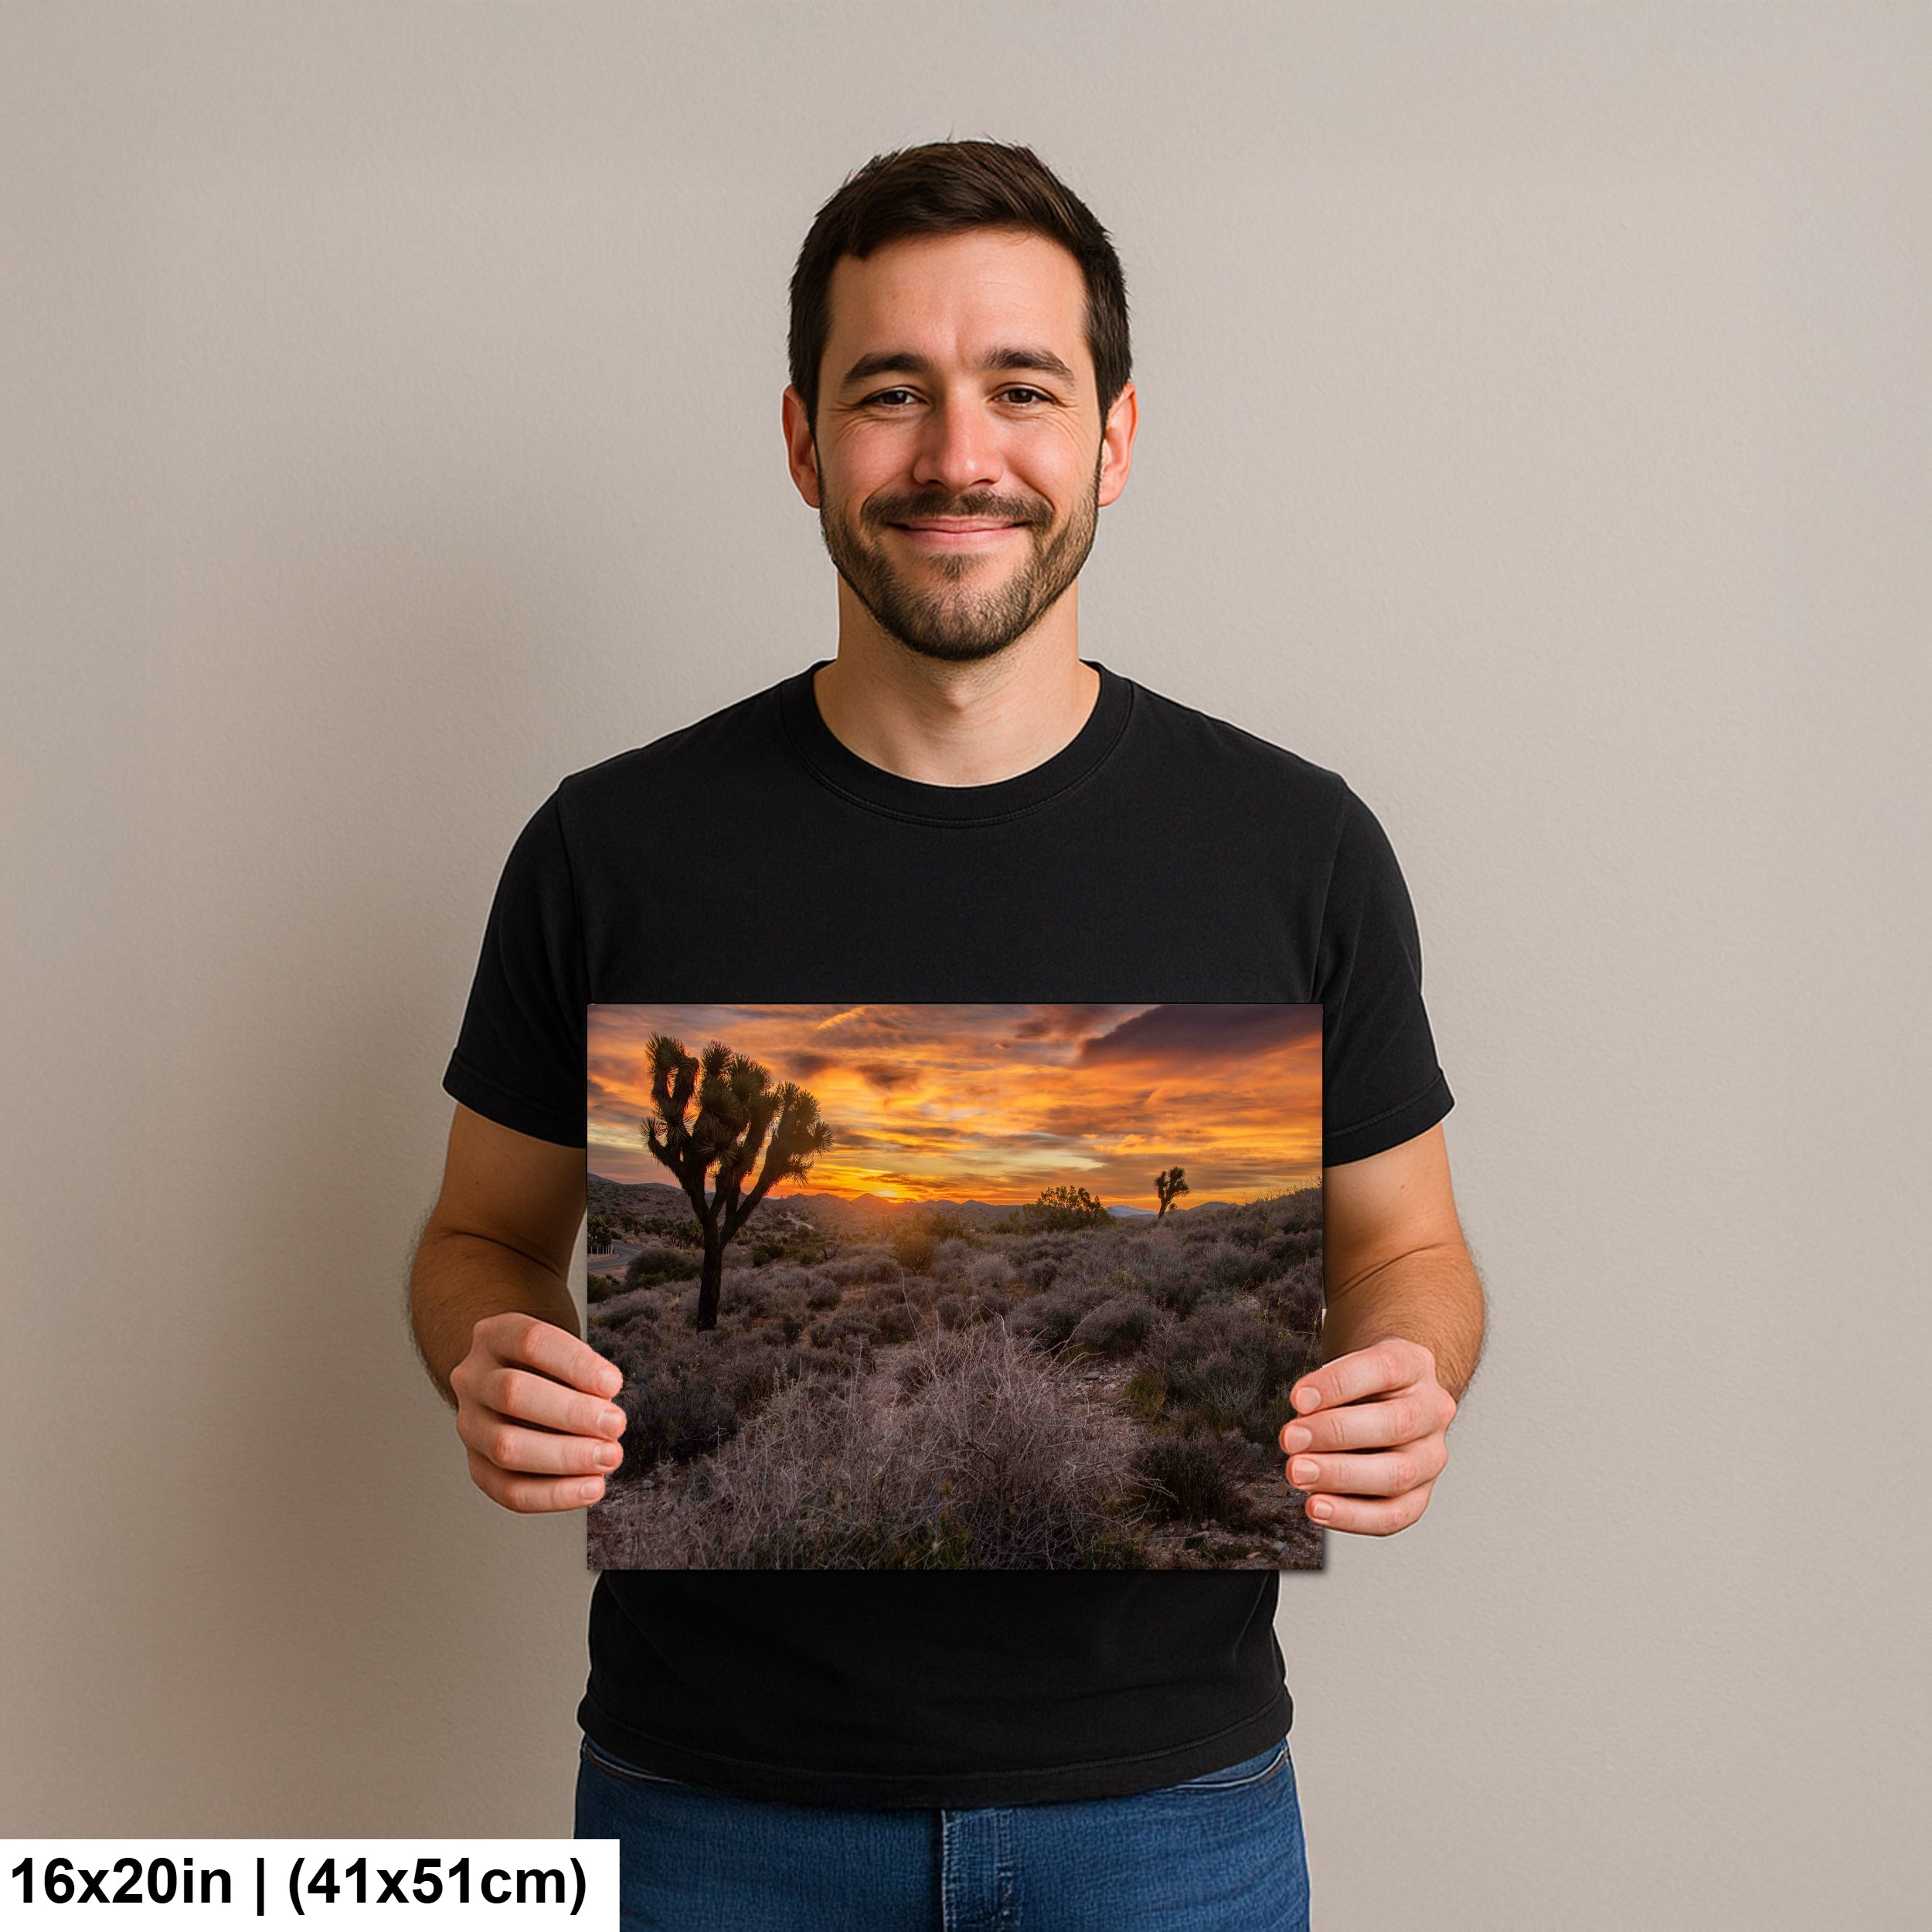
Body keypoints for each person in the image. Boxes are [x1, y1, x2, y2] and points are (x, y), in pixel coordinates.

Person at [409, 138, 1485, 1931]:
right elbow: (475, 1236)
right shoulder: (611, 846)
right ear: (800, 440)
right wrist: (493, 1351)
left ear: (1113, 440)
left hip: (1171, 1813)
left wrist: (1408, 1374)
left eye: (1020, 389)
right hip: (708, 1817)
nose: (956, 453)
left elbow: (1414, 1251)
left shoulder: (1295, 846)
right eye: (889, 392)